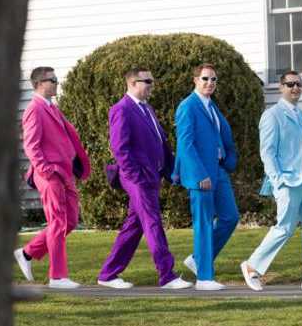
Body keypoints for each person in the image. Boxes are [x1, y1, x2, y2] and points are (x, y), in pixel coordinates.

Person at [240, 71, 302, 292]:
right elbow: (267, 152)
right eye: (290, 84)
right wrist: (278, 180)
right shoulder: (272, 115)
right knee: (284, 228)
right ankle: (252, 265)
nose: (295, 88)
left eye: (299, 84)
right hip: (288, 182)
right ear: (281, 88)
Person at [97, 68, 192, 290]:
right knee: (153, 223)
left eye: (152, 80)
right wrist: (136, 176)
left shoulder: (146, 108)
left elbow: (161, 141)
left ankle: (108, 274)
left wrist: (171, 171)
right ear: (132, 83)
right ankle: (167, 275)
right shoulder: (121, 109)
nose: (151, 84)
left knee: (134, 226)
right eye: (147, 81)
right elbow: (120, 149)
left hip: (151, 176)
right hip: (138, 178)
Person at [14, 67, 91, 289]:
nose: (57, 83)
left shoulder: (52, 108)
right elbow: (31, 145)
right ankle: (58, 277)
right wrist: (47, 171)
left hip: (65, 173)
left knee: (71, 221)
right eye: (53, 80)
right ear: (40, 83)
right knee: (57, 221)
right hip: (50, 174)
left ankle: (28, 253)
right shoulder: (34, 109)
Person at [173, 63, 239, 291]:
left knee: (230, 217)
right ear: (195, 80)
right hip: (200, 174)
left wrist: (229, 161)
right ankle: (204, 278)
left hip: (218, 171)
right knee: (203, 224)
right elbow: (185, 144)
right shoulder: (188, 106)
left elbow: (223, 136)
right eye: (205, 79)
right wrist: (200, 174)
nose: (210, 83)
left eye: (213, 80)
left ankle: (198, 259)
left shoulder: (212, 106)